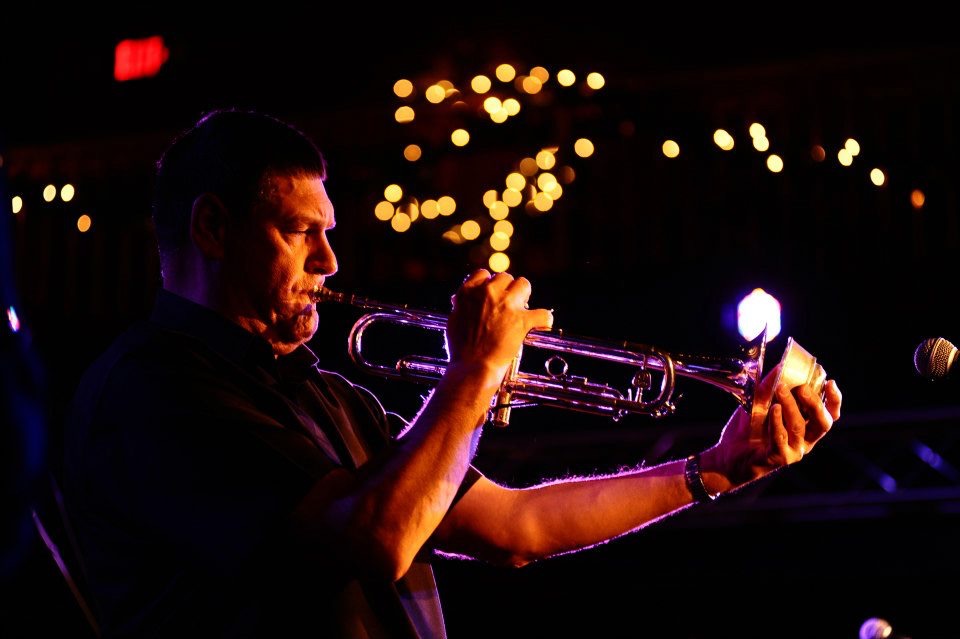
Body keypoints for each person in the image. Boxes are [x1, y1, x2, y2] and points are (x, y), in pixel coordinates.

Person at [61, 108, 842, 638]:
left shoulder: (327, 396)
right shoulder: (151, 391)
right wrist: (473, 373)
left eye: (328, 234)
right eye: (301, 232)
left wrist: (714, 469)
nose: (329, 261)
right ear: (212, 227)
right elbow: (377, 540)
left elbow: (517, 528)